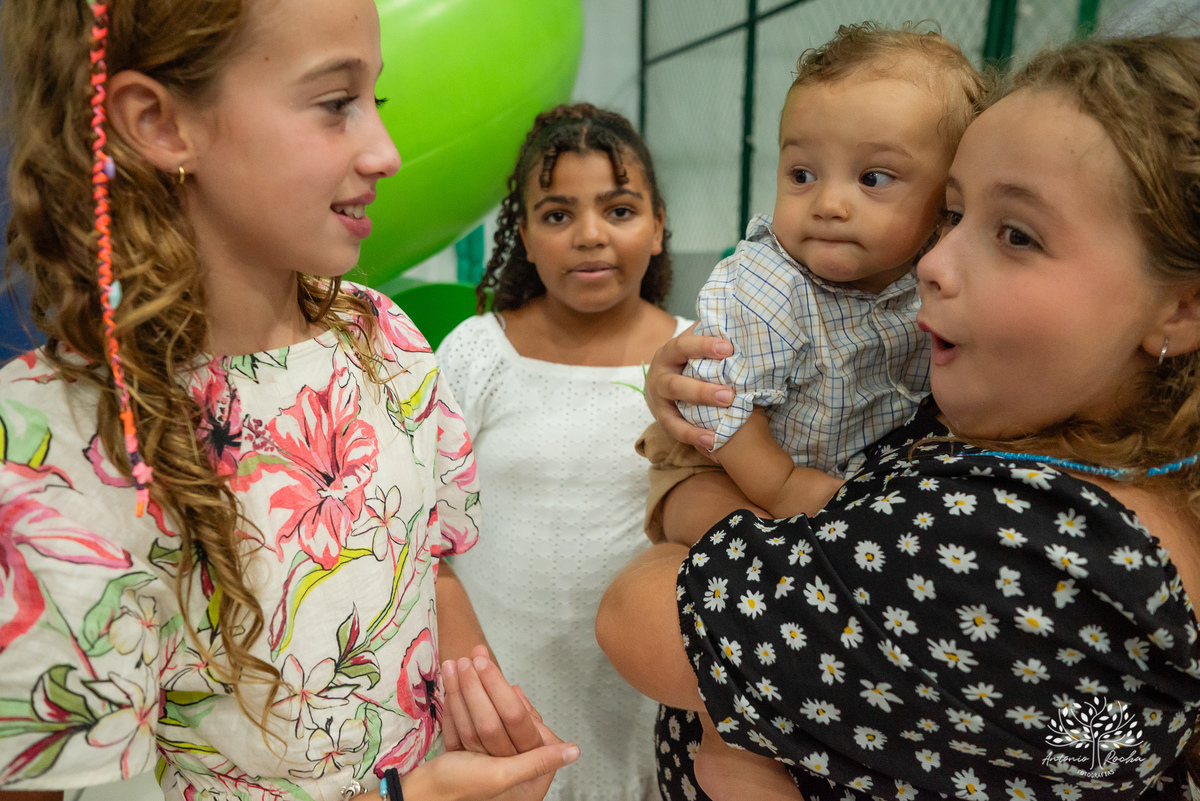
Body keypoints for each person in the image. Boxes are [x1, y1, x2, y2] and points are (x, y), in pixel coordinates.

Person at [0, 1, 578, 800]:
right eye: (336, 103)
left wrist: (494, 733)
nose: (388, 152)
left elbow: (428, 567)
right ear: (161, 124)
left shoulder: (384, 336)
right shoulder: (55, 444)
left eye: (379, 101)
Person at [599, 34, 1200, 801]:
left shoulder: (1027, 551)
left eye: (1017, 234)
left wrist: (705, 526)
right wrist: (698, 398)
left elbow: (637, 616)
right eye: (950, 215)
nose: (931, 264)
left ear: (1181, 304)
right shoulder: (1049, 442)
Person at [641, 23, 984, 546]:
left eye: (873, 179)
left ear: (946, 200)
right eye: (802, 175)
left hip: (850, 464)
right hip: (719, 457)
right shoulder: (765, 284)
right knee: (706, 517)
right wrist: (782, 487)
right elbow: (721, 403)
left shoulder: (936, 276)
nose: (827, 205)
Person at [436, 103, 691, 801]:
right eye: (556, 214)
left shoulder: (700, 359)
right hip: (501, 704)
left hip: (646, 710)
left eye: (618, 210)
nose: (589, 236)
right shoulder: (478, 353)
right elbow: (422, 534)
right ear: (523, 234)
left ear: (659, 223)